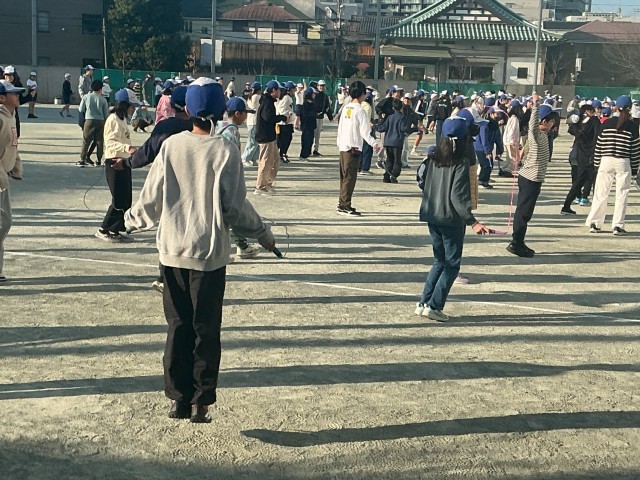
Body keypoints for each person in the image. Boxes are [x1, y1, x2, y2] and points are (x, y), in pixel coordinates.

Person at [124, 77, 277, 423]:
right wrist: (263, 234)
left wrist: (131, 219)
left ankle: (177, 398)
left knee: (178, 325)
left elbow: (151, 197)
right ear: (222, 109)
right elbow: (235, 209)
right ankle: (200, 401)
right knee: (206, 328)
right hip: (208, 255)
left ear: (188, 108)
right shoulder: (225, 150)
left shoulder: (172, 146)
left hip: (171, 252)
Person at [415, 116, 489, 322]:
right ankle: (434, 306)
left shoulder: (432, 158)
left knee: (439, 261)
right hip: (450, 219)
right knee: (452, 265)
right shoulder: (461, 164)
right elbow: (458, 197)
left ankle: (423, 302)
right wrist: (473, 222)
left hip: (432, 215)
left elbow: (422, 182)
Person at [507, 95, 558, 257]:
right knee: (523, 212)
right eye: (552, 121)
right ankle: (516, 243)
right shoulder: (536, 134)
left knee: (525, 212)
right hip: (530, 178)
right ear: (544, 121)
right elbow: (532, 125)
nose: (554, 125)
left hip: (532, 177)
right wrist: (536, 106)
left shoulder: (543, 135)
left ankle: (519, 241)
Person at [585, 96, 640, 235]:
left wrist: (596, 164)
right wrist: (634, 170)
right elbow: (635, 150)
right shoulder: (632, 126)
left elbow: (598, 146)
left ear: (615, 107)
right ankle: (617, 225)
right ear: (630, 108)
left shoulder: (606, 123)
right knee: (622, 194)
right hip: (623, 161)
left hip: (606, 160)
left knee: (601, 192)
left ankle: (595, 223)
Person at [216, 97, 261, 259]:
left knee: (227, 214)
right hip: (226, 179)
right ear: (237, 114)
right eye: (244, 113)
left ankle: (241, 245)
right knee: (230, 213)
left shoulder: (219, 126)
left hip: (217, 177)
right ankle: (228, 250)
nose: (246, 116)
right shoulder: (231, 132)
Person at [95, 88, 139, 242]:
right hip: (114, 162)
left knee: (126, 199)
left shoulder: (122, 119)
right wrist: (127, 148)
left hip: (124, 161)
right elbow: (111, 142)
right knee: (118, 199)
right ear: (124, 105)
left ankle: (116, 229)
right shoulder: (113, 119)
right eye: (131, 106)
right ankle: (104, 229)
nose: (133, 109)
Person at [336, 80, 381, 216]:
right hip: (353, 147)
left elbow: (340, 127)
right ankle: (344, 205)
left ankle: (343, 202)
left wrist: (339, 143)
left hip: (344, 146)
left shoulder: (346, 108)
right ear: (362, 94)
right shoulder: (360, 110)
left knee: (344, 177)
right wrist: (374, 143)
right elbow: (365, 132)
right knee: (350, 177)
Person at [0, 80, 25, 282]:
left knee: (4, 222)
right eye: (13, 93)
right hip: (0, 180)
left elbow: (12, 146)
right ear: (1, 98)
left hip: (3, 177)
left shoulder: (11, 116)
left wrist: (16, 166)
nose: (17, 96)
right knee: (3, 222)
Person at [560, 104, 599, 215]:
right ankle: (589, 205)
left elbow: (571, 130)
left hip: (579, 154)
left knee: (579, 180)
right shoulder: (594, 121)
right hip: (590, 154)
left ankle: (568, 205)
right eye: (592, 111)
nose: (594, 113)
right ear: (588, 111)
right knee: (592, 181)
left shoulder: (579, 122)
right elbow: (597, 136)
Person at [254, 80, 287, 195]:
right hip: (265, 137)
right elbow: (268, 118)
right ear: (273, 90)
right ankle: (260, 186)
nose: (280, 92)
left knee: (275, 161)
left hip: (270, 136)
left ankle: (267, 184)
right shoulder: (267, 102)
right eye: (279, 90)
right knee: (265, 162)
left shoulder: (269, 101)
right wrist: (281, 117)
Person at [375, 99, 414, 183]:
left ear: (393, 108)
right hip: (397, 142)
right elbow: (404, 128)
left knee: (389, 160)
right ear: (401, 107)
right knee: (397, 160)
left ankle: (386, 176)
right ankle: (394, 175)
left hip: (388, 141)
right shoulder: (402, 117)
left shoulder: (390, 117)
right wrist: (414, 129)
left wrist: (375, 126)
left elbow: (383, 128)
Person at [77, 79, 109, 167]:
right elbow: (106, 114)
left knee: (86, 140)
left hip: (89, 119)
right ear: (100, 89)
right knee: (99, 141)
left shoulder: (86, 97)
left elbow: (81, 109)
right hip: (100, 121)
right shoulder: (103, 99)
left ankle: (82, 159)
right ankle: (98, 160)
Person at [474, 106, 504, 189]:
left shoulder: (495, 125)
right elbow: (484, 138)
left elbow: (498, 138)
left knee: (490, 165)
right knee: (486, 165)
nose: (499, 115)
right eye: (497, 113)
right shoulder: (485, 124)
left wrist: (500, 149)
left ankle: (485, 181)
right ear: (491, 114)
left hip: (489, 147)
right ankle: (481, 181)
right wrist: (487, 151)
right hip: (480, 147)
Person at [241, 82, 262, 167]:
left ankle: (253, 158)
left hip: (252, 121)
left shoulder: (250, 96)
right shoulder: (256, 96)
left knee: (256, 142)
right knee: (252, 142)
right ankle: (245, 158)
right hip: (254, 122)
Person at [501, 99, 523, 177]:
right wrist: (513, 142)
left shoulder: (511, 117)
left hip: (508, 140)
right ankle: (508, 170)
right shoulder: (514, 119)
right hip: (511, 141)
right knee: (515, 158)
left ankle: (503, 169)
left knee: (509, 157)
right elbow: (512, 131)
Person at [312, 79, 333, 156]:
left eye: (323, 86)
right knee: (311, 134)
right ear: (317, 86)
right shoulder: (314, 94)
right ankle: (308, 150)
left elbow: (327, 107)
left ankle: (315, 150)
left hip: (320, 117)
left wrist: (330, 117)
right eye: (320, 86)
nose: (322, 87)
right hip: (313, 117)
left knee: (317, 134)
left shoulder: (325, 96)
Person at [276, 81, 295, 163]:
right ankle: (281, 155)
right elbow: (282, 109)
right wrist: (286, 118)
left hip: (282, 122)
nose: (294, 90)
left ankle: (281, 154)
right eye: (293, 88)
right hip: (284, 122)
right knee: (285, 140)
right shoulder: (287, 97)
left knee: (283, 139)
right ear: (290, 89)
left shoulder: (283, 97)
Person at [299, 87, 317, 162]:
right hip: (306, 126)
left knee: (310, 140)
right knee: (306, 140)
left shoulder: (312, 103)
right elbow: (304, 115)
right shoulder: (305, 103)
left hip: (311, 125)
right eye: (313, 94)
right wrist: (313, 114)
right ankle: (303, 155)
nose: (314, 95)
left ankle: (307, 154)